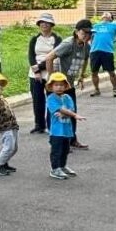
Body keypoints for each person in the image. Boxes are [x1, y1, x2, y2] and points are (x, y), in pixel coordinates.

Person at [37, 21, 93, 151]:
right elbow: (49, 57)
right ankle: (56, 141)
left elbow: (85, 59)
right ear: (77, 31)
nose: (86, 36)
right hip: (57, 85)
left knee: (71, 112)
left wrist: (82, 75)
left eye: (89, 33)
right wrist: (51, 78)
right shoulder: (68, 44)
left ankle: (72, 140)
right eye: (84, 33)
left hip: (69, 84)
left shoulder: (86, 46)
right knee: (56, 113)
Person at [27, 14, 61, 133]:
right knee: (37, 99)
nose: (44, 24)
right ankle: (39, 124)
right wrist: (36, 71)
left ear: (51, 24)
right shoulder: (34, 39)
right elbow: (31, 55)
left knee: (51, 98)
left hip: (51, 72)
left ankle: (51, 124)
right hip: (35, 73)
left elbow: (55, 55)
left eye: (47, 22)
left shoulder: (57, 39)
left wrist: (40, 67)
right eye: (42, 22)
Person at [45, 72, 82, 179]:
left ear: (66, 86)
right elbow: (59, 109)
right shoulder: (51, 98)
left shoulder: (68, 97)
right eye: (56, 85)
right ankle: (55, 169)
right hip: (56, 131)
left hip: (67, 130)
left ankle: (62, 166)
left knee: (65, 150)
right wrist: (72, 115)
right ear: (51, 86)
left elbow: (70, 109)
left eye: (61, 85)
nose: (59, 87)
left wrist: (66, 113)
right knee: (56, 150)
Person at [88, 11, 116, 97]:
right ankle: (97, 90)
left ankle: (115, 90)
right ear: (101, 17)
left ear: (111, 18)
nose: (106, 14)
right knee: (94, 72)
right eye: (104, 13)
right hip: (94, 52)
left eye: (108, 13)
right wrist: (91, 45)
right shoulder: (95, 26)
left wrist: (115, 40)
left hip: (107, 51)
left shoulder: (114, 25)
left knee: (111, 72)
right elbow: (90, 36)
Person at [0, 71, 20, 175]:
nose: (0, 88)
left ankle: (4, 162)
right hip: (5, 127)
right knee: (9, 147)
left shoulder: (0, 97)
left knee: (14, 147)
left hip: (12, 125)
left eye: (1, 86)